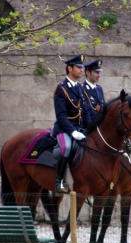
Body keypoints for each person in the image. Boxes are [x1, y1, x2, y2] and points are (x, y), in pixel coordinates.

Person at [52, 54, 91, 195]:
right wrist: (73, 132)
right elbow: (61, 116)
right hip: (64, 129)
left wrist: (91, 128)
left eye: (82, 67)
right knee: (66, 148)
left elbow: (85, 111)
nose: (81, 70)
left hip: (80, 127)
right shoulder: (62, 88)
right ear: (70, 68)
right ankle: (59, 182)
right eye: (78, 67)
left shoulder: (80, 88)